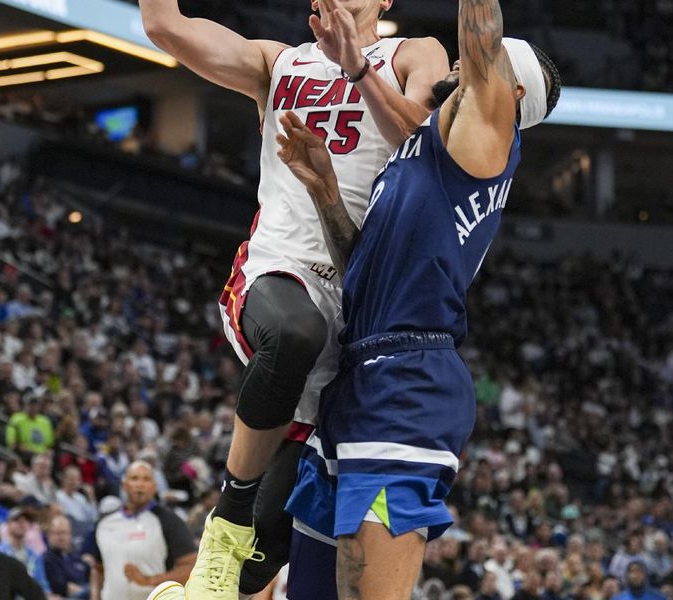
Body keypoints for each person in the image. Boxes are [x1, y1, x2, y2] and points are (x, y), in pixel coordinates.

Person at [138, 0, 451, 595]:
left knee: (259, 562)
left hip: (358, 321)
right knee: (294, 333)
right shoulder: (277, 63)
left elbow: (429, 152)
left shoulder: (414, 53)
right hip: (278, 274)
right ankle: (223, 523)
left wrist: (358, 67)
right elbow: (165, 27)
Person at [272, 0, 561, 594]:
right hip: (360, 372)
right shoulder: (419, 159)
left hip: (409, 381)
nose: (462, 61)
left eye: (484, 63)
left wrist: (361, 67)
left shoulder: (484, 140)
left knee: (365, 585)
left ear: (506, 96)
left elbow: (481, 36)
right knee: (311, 587)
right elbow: (362, 271)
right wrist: (327, 192)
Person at [90, 461, 196, 600]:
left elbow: (192, 568)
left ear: (154, 487)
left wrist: (149, 580)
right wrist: (94, 595)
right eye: (134, 478)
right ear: (124, 485)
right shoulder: (104, 523)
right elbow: (98, 569)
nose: (140, 484)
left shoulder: (169, 521)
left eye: (146, 479)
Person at [0, 507, 52, 596]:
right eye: (16, 520)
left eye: (25, 520)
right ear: (8, 524)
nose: (21, 523)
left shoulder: (35, 556)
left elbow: (43, 584)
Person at [43, 515, 90, 600]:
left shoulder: (75, 555)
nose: (62, 537)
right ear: (49, 535)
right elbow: (66, 588)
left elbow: (88, 576)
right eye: (58, 533)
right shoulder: (47, 559)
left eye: (65, 533)